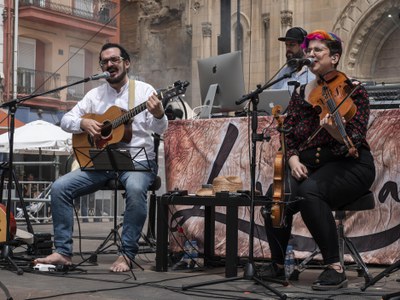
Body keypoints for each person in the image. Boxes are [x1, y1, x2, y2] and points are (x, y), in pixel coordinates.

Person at [34, 43, 168, 272]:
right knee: (59, 187)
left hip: (137, 161)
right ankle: (63, 252)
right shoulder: (94, 95)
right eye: (105, 61)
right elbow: (66, 121)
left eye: (114, 60)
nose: (109, 64)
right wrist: (83, 123)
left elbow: (161, 129)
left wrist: (159, 114)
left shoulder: (145, 91)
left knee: (136, 190)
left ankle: (126, 254)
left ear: (126, 63)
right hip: (102, 161)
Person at [261, 30, 375, 290]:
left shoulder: (353, 90)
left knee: (310, 192)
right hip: (310, 166)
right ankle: (278, 266)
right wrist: (291, 160)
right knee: (275, 195)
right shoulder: (301, 93)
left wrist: (335, 128)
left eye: (318, 51)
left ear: (334, 57)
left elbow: (353, 141)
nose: (310, 54)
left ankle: (335, 267)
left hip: (351, 165)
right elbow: (286, 133)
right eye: (309, 50)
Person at [269, 27, 315, 93]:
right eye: (286, 45)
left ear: (303, 46)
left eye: (292, 45)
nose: (288, 49)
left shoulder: (314, 71)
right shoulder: (283, 73)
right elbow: (272, 97)